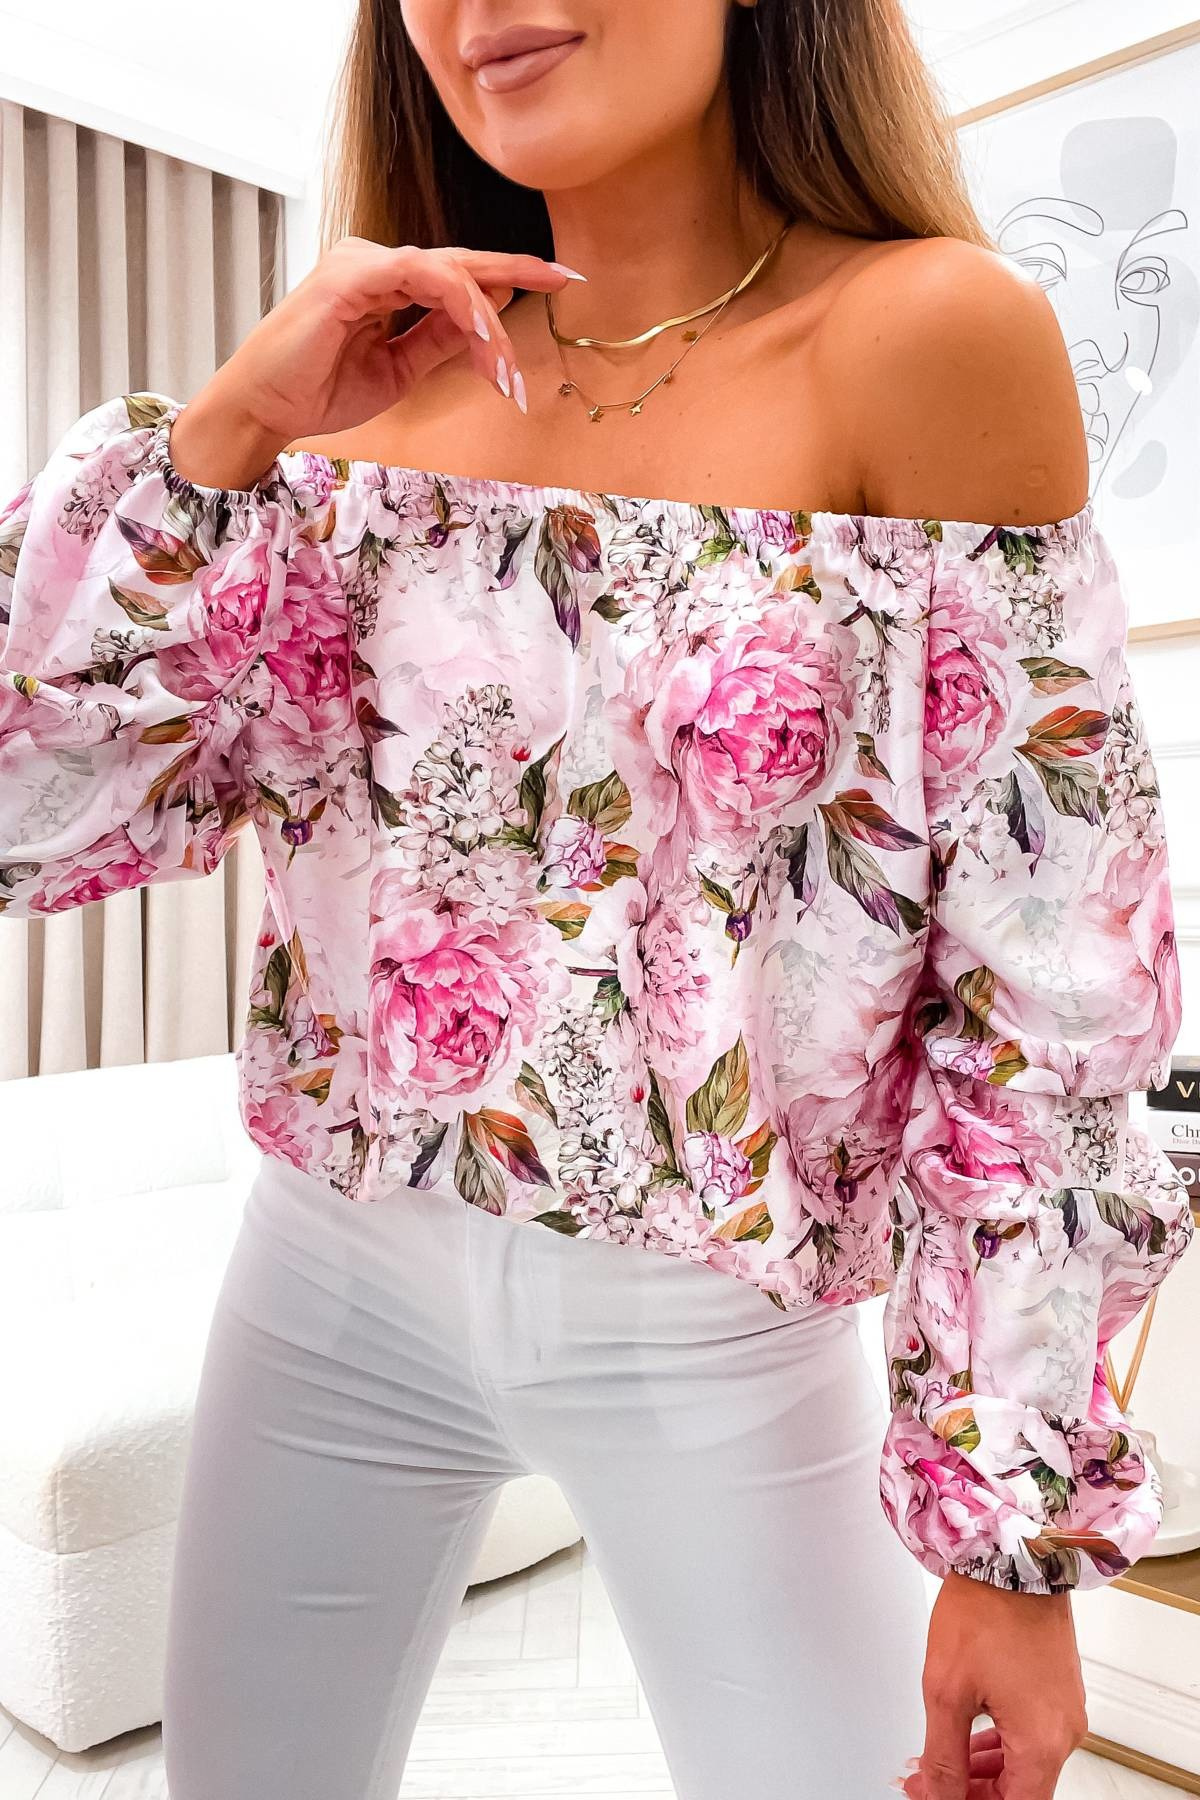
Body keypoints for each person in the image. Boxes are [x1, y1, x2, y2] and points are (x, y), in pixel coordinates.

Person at [0, 2, 1193, 1796]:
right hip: (328, 1283)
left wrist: (1005, 1542)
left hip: (722, 1330)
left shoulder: (927, 334)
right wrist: (232, 430)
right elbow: (31, 809)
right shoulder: (364, 385)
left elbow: (1045, 975)